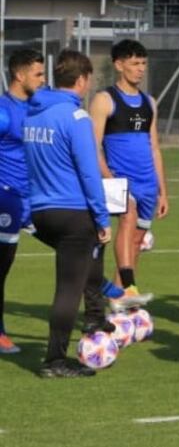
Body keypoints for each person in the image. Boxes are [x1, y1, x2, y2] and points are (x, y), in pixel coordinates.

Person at [21, 51, 115, 377]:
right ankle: (55, 361)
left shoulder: (33, 115)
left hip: (41, 212)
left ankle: (97, 316)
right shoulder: (76, 118)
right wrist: (102, 219)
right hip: (73, 213)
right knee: (68, 288)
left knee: (87, 263)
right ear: (82, 80)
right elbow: (89, 173)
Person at [90, 39, 165, 304]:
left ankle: (118, 301)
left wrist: (163, 192)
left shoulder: (149, 102)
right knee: (127, 216)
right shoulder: (104, 100)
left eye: (143, 63)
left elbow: (154, 148)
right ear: (119, 65)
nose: (141, 68)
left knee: (136, 242)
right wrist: (110, 180)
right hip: (120, 180)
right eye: (135, 63)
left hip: (148, 184)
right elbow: (93, 146)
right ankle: (130, 287)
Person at [0, 49, 46, 354]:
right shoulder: (3, 112)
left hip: (36, 200)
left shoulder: (36, 108)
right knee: (2, 267)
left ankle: (112, 299)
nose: (43, 80)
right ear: (20, 75)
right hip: (7, 200)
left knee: (75, 246)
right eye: (38, 74)